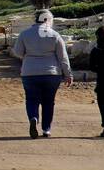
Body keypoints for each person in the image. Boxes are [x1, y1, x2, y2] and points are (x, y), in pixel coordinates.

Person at [10, 9, 72, 138]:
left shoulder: (24, 34)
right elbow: (63, 57)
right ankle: (46, 129)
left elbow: (17, 52)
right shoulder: (55, 35)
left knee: (31, 99)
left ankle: (33, 118)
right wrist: (68, 74)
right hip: (51, 73)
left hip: (30, 72)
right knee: (49, 102)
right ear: (47, 20)